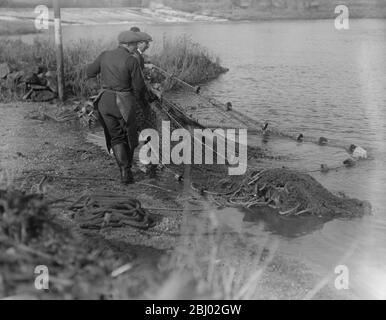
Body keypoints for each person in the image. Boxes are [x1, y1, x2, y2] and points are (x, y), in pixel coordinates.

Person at [85, 30, 148, 184]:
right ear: (128, 44)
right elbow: (139, 88)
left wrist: (102, 83)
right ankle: (127, 171)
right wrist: (143, 104)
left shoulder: (104, 55)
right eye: (134, 45)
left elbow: (89, 72)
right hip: (123, 103)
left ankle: (124, 173)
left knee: (116, 137)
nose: (135, 47)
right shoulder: (131, 60)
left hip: (104, 101)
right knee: (130, 136)